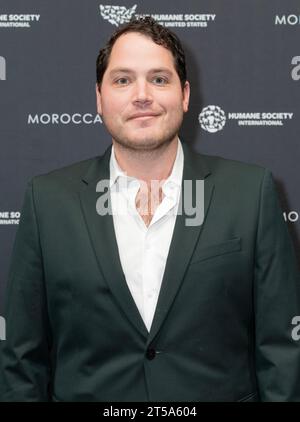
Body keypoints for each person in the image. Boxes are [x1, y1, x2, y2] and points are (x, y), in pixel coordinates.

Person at [1, 16, 300, 402]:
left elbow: (281, 351)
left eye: (159, 79)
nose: (142, 94)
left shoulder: (250, 192)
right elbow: (22, 360)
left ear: (186, 95)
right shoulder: (47, 200)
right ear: (99, 97)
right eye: (123, 80)